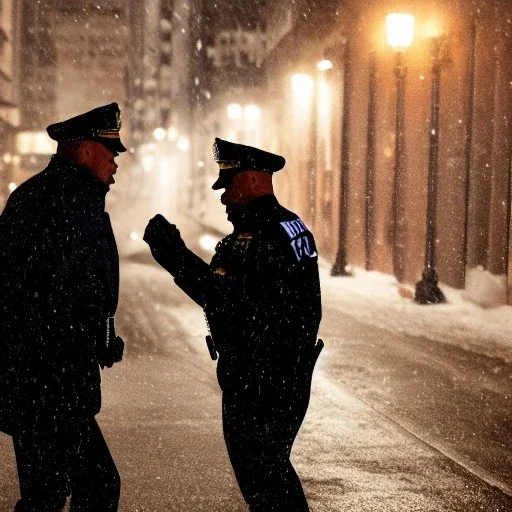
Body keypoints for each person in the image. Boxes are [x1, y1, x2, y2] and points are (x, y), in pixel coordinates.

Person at [144, 138, 323, 511]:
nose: (224, 198)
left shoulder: (264, 236)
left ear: (256, 180)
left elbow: (228, 299)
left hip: (263, 382)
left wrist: (174, 255)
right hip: (272, 377)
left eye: (230, 185)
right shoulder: (283, 228)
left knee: (265, 481)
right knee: (268, 477)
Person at [0, 103, 126, 511]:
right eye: (110, 152)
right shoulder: (58, 204)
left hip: (48, 383)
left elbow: (80, 290)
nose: (115, 163)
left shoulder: (68, 199)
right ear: (86, 151)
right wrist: (80, 341)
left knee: (52, 494)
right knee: (93, 486)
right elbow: (49, 299)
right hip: (47, 384)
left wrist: (99, 337)